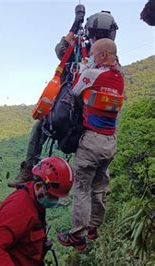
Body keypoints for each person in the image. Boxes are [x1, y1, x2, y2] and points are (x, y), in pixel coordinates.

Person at [8, 10, 119, 188]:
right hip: (84, 114)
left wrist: (75, 26)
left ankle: (29, 168)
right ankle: (99, 182)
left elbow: (61, 52)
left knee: (41, 128)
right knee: (45, 128)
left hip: (79, 108)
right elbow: (61, 51)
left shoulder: (102, 55)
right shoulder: (96, 51)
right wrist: (75, 26)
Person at [57, 38, 124, 250]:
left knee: (82, 188)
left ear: (103, 55)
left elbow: (74, 92)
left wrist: (84, 68)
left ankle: (77, 235)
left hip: (91, 141)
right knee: (100, 185)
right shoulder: (120, 77)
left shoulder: (92, 74)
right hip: (110, 141)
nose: (92, 59)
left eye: (95, 55)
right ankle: (94, 226)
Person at [0, 156, 73, 265]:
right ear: (38, 186)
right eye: (53, 196)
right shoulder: (17, 208)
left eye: (57, 197)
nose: (55, 200)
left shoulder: (37, 200)